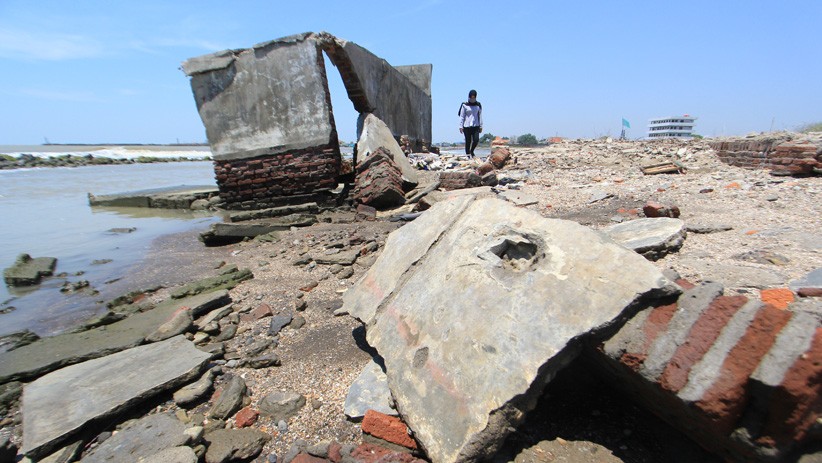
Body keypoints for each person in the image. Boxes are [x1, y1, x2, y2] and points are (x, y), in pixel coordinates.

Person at [458, 89, 482, 158]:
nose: (472, 99)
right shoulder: (464, 105)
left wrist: (481, 126)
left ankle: (472, 151)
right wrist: (460, 126)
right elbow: (462, 116)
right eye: (471, 97)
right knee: (468, 141)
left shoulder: (478, 105)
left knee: (476, 140)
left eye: (473, 97)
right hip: (466, 126)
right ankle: (468, 155)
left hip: (476, 125)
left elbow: (480, 116)